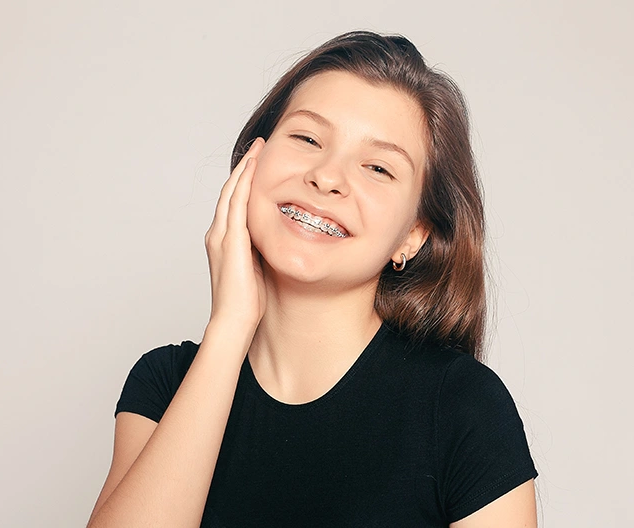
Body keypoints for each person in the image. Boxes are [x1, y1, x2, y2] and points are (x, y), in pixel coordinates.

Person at [86, 31, 538, 528]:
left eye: (378, 167)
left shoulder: (463, 409)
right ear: (250, 163)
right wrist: (229, 328)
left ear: (413, 234)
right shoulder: (164, 384)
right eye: (307, 139)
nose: (327, 176)